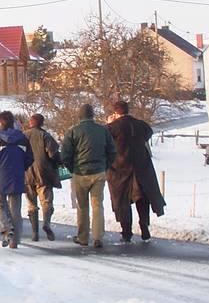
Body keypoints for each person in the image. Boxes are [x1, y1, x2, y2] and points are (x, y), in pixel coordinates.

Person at [106, 100, 166, 243]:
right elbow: (148, 133)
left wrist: (110, 123)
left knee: (122, 200)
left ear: (115, 112)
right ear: (127, 110)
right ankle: (144, 227)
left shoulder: (111, 128)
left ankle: (126, 232)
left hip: (120, 169)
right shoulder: (140, 125)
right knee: (142, 198)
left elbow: (106, 142)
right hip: (141, 166)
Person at [60, 104, 117, 249]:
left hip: (80, 173)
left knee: (82, 206)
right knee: (98, 205)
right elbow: (112, 151)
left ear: (80, 116)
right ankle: (98, 237)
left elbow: (65, 154)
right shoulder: (103, 130)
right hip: (99, 172)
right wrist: (105, 166)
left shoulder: (73, 131)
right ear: (92, 115)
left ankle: (83, 237)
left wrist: (72, 168)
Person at [0, 111, 34, 249]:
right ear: (13, 123)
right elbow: (30, 158)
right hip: (17, 176)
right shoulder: (23, 139)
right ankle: (15, 242)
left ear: (0, 123)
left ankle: (6, 229)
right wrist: (21, 168)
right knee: (15, 211)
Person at [24, 114, 62, 241]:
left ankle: (34, 233)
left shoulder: (23, 136)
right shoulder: (45, 136)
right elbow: (53, 154)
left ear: (31, 122)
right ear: (42, 123)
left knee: (31, 204)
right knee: (46, 201)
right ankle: (46, 223)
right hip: (44, 174)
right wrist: (59, 162)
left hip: (27, 174)